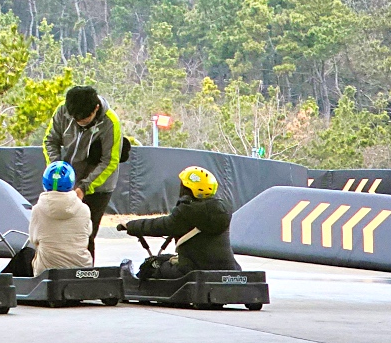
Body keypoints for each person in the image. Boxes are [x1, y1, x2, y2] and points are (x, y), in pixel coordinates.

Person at [44, 84, 123, 260]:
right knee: (57, 232)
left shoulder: (110, 121)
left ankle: (85, 276)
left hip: (98, 185)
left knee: (85, 236)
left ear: (96, 108)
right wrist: (58, 170)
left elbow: (110, 161)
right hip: (66, 180)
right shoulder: (63, 110)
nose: (80, 122)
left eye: (85, 119)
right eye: (76, 119)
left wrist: (83, 188)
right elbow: (50, 140)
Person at [122, 166, 241, 279]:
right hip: (229, 269)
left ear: (187, 188)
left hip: (191, 271)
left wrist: (131, 226)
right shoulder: (222, 210)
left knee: (151, 265)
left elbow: (160, 226)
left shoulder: (187, 211)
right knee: (165, 258)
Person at [13, 160, 93, 275]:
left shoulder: (38, 209)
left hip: (47, 273)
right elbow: (87, 233)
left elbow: (34, 239)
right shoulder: (84, 209)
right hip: (80, 271)